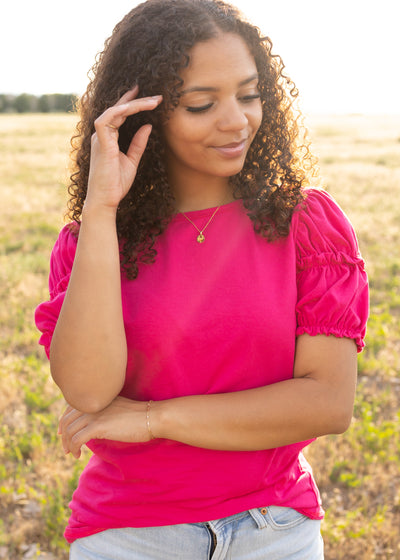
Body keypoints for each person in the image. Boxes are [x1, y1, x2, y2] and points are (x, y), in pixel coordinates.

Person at [35, 0, 369, 558]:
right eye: (200, 104)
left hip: (275, 528)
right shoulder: (91, 244)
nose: (236, 120)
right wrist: (100, 212)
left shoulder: (307, 225)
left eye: (249, 94)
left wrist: (151, 419)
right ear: (146, 113)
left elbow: (327, 404)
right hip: (131, 533)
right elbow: (89, 392)